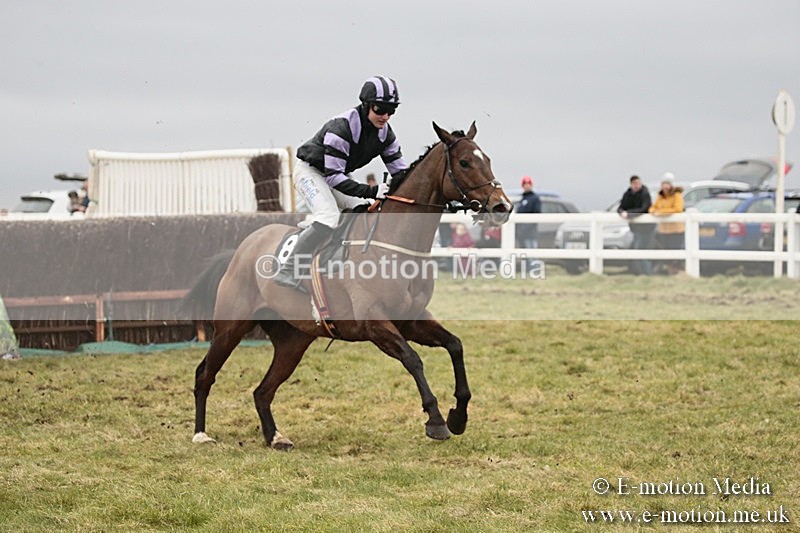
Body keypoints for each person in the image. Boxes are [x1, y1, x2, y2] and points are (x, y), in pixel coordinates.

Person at [275, 76, 409, 290]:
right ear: (366, 105)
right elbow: (334, 177)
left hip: (334, 175)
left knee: (361, 210)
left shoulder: (386, 135)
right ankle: (289, 268)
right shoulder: (342, 128)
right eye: (380, 109)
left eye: (391, 111)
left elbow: (401, 173)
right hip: (310, 172)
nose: (385, 116)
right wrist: (372, 190)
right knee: (329, 216)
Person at [618, 175, 655, 275]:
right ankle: (642, 273)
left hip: (647, 228)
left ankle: (648, 274)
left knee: (641, 250)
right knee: (637, 250)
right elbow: (621, 208)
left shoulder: (645, 193)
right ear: (631, 184)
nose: (637, 185)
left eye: (638, 183)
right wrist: (622, 212)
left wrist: (629, 214)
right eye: (635, 183)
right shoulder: (628, 194)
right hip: (636, 228)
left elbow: (644, 209)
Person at [649, 173, 685, 274]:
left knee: (674, 250)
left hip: (676, 229)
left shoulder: (677, 195)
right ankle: (670, 271)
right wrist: (653, 211)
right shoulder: (660, 196)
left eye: (667, 184)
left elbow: (678, 208)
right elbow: (654, 207)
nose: (665, 186)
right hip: (664, 229)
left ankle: (676, 270)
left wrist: (662, 212)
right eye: (663, 184)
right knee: (665, 249)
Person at [516, 176, 541, 248]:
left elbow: (536, 214)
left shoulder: (535, 199)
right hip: (521, 233)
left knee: (531, 253)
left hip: (530, 233)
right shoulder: (522, 199)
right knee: (524, 254)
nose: (526, 186)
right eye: (525, 184)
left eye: (528, 184)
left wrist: (527, 228)